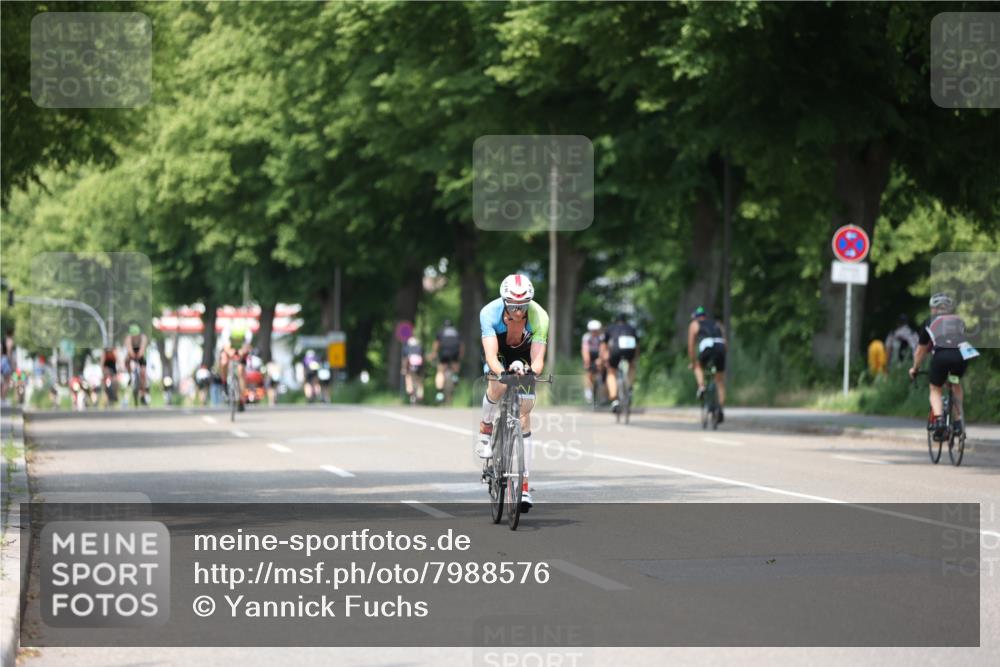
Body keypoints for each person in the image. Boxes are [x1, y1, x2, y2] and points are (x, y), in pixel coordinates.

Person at [477, 274, 548, 513]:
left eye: (524, 305)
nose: (519, 311)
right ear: (505, 301)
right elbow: (490, 356)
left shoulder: (539, 316)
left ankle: (524, 486)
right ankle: (486, 428)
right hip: (499, 355)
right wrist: (502, 372)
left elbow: (538, 361)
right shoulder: (489, 312)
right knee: (496, 385)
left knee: (525, 412)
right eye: (514, 306)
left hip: (524, 357)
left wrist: (529, 371)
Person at [909, 293, 978, 439]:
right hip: (961, 356)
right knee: (954, 382)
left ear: (933, 308)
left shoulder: (930, 321)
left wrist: (915, 368)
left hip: (942, 357)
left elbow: (921, 350)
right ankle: (959, 422)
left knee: (935, 388)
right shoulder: (959, 321)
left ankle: (940, 421)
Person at [687, 306, 727, 423]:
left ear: (695, 317)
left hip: (707, 346)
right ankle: (720, 408)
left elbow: (691, 346)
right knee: (719, 381)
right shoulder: (717, 323)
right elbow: (726, 344)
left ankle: (702, 386)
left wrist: (693, 362)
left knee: (698, 366)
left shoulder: (694, 324)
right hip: (720, 346)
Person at [601, 314, 639, 413]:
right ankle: (629, 387)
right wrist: (634, 360)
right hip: (630, 351)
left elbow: (604, 345)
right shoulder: (631, 328)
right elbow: (637, 345)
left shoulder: (611, 328)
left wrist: (604, 357)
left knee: (611, 372)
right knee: (631, 367)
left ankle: (614, 400)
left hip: (615, 350)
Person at [219, 326, 250, 411]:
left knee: (241, 371)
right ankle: (224, 382)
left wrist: (241, 353)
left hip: (241, 349)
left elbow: (246, 347)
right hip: (229, 349)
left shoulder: (247, 333)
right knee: (224, 361)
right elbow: (226, 347)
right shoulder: (227, 331)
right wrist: (230, 353)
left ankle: (242, 398)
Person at [432, 319, 463, 403]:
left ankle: (439, 393)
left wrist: (434, 354)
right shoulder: (456, 332)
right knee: (455, 364)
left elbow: (436, 344)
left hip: (444, 353)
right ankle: (455, 377)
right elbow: (461, 345)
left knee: (440, 372)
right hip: (454, 353)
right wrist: (460, 356)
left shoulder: (441, 331)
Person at [124, 323, 149, 405]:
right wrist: (132, 356)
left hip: (141, 355)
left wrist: (139, 355)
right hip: (132, 354)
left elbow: (142, 349)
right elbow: (129, 348)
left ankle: (143, 392)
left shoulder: (143, 338)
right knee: (127, 361)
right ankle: (130, 375)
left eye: (136, 336)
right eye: (133, 336)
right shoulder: (128, 338)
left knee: (142, 372)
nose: (135, 337)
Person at [581, 320, 604, 404]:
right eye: (593, 331)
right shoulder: (586, 337)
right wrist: (587, 361)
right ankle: (588, 391)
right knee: (588, 373)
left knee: (601, 370)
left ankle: (601, 390)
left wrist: (601, 359)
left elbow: (603, 348)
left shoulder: (601, 337)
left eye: (596, 330)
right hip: (590, 354)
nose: (594, 332)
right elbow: (585, 350)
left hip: (598, 354)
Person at [401, 336, 425, 404]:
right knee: (419, 380)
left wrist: (403, 369)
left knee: (408, 377)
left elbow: (405, 360)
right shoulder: (420, 348)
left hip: (410, 366)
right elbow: (423, 359)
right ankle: (420, 393)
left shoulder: (406, 349)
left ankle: (410, 391)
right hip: (419, 367)